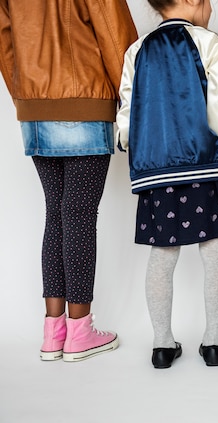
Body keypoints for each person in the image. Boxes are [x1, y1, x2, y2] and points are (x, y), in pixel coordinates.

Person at [0, 0, 137, 362]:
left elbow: (5, 37)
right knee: (78, 215)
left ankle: (53, 331)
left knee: (56, 214)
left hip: (33, 105)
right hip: (85, 100)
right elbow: (115, 34)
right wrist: (131, 95)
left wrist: (24, 96)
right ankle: (80, 331)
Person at [116, 0, 218, 369]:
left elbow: (126, 112)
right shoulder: (208, 42)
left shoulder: (137, 50)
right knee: (214, 246)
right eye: (207, 3)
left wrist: (130, 143)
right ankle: (214, 343)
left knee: (162, 253)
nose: (211, 11)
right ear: (191, 2)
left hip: (157, 170)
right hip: (205, 164)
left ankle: (161, 345)